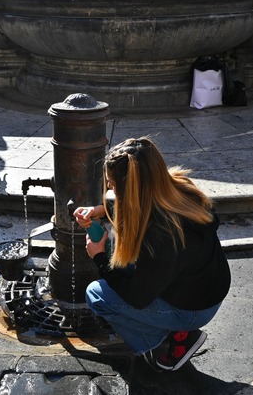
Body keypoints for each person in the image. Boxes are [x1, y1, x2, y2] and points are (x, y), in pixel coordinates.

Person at [73, 137, 231, 372]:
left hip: (193, 310)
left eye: (112, 185)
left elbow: (138, 298)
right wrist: (101, 211)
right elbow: (140, 205)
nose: (110, 190)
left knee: (97, 294)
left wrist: (98, 257)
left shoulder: (161, 236)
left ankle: (156, 343)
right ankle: (172, 327)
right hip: (205, 290)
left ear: (130, 188)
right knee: (123, 263)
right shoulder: (180, 188)